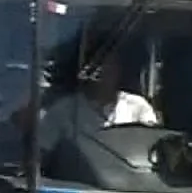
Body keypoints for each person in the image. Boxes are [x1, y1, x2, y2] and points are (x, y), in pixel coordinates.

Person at [29, 63, 159, 152]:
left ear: (119, 71)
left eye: (110, 67)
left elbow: (151, 147)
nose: (103, 72)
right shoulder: (64, 109)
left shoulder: (138, 106)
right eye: (98, 67)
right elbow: (42, 151)